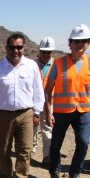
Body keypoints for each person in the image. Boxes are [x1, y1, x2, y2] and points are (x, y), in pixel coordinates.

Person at [0, 32, 45, 178]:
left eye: (19, 47)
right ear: (6, 48)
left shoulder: (32, 66)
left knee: (24, 149)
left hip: (26, 113)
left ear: (23, 48)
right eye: (12, 47)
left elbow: (38, 90)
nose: (16, 51)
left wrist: (37, 112)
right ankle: (5, 175)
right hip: (3, 114)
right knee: (3, 148)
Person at [43, 24, 90, 178]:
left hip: (83, 111)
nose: (79, 44)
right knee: (55, 145)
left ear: (88, 43)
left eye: (83, 41)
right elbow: (48, 91)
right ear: (69, 43)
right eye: (76, 41)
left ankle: (74, 175)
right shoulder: (58, 64)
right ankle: (54, 172)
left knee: (83, 142)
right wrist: (48, 111)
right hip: (61, 112)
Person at [32, 36, 56, 166]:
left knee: (47, 129)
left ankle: (47, 155)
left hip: (49, 102)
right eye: (43, 51)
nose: (46, 54)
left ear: (53, 52)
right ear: (39, 51)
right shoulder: (32, 64)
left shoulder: (56, 65)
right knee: (32, 128)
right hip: (33, 101)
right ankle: (30, 151)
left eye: (49, 52)